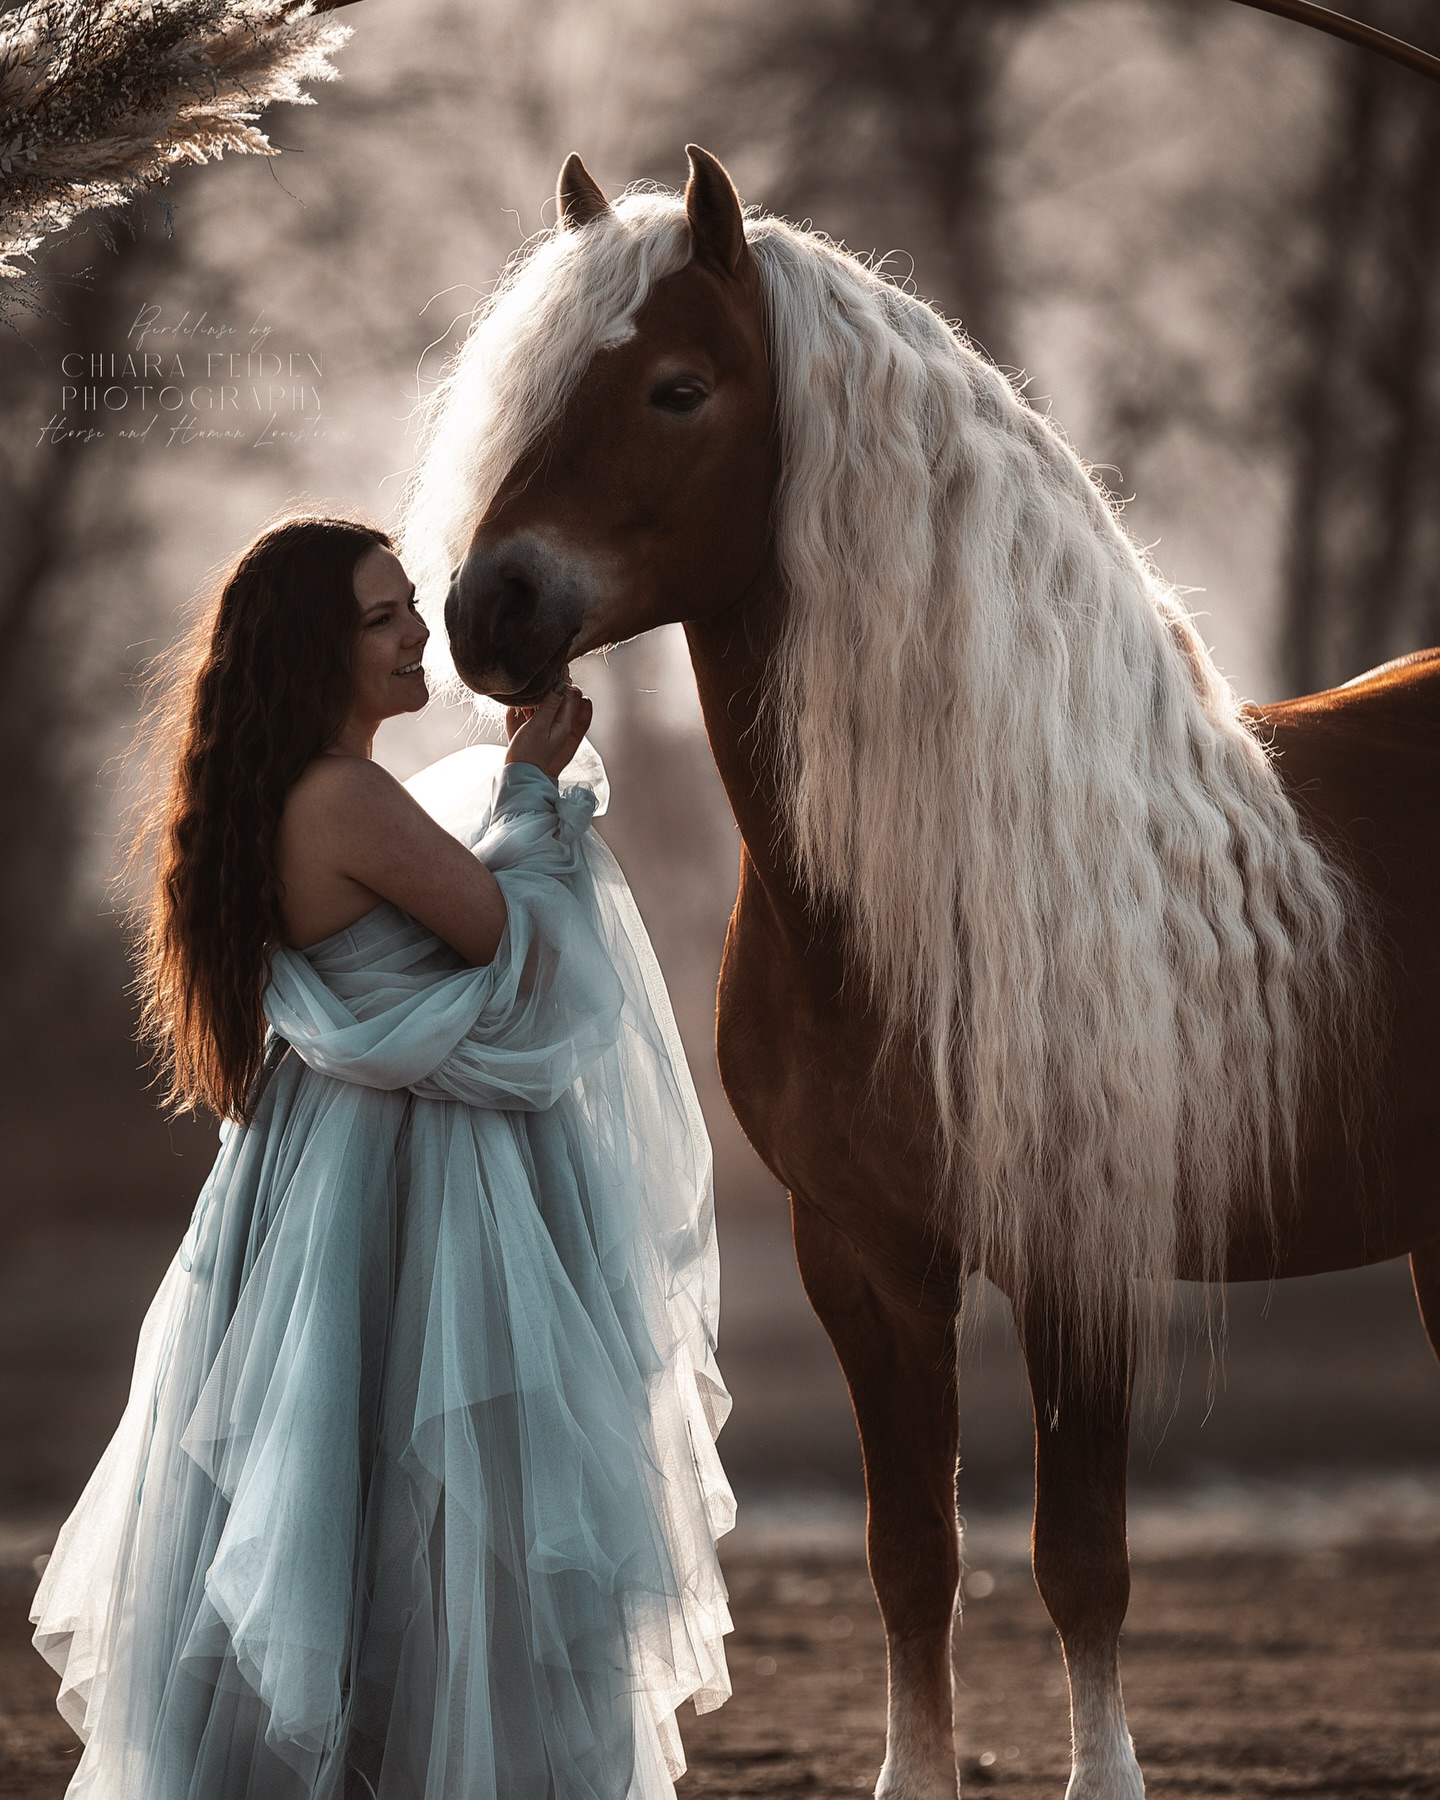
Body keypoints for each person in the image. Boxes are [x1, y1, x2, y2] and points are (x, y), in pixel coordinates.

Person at [30, 514, 733, 1800]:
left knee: (332, 1494)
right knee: (437, 1503)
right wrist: (533, 787)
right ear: (316, 650)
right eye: (382, 617)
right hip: (405, 1179)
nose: (419, 633)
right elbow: (501, 944)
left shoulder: (294, 797)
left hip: (313, 1167)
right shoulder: (343, 797)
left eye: (409, 604)